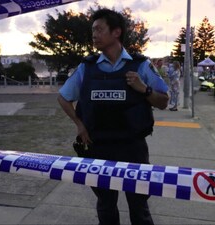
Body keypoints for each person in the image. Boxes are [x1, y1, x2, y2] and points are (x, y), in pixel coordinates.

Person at [57, 8, 169, 225]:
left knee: (139, 207)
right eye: (93, 30)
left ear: (116, 32)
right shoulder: (87, 67)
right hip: (99, 147)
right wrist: (80, 125)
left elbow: (164, 102)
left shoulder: (140, 65)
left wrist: (143, 88)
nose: (94, 35)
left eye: (99, 29)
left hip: (133, 148)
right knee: (106, 206)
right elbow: (63, 98)